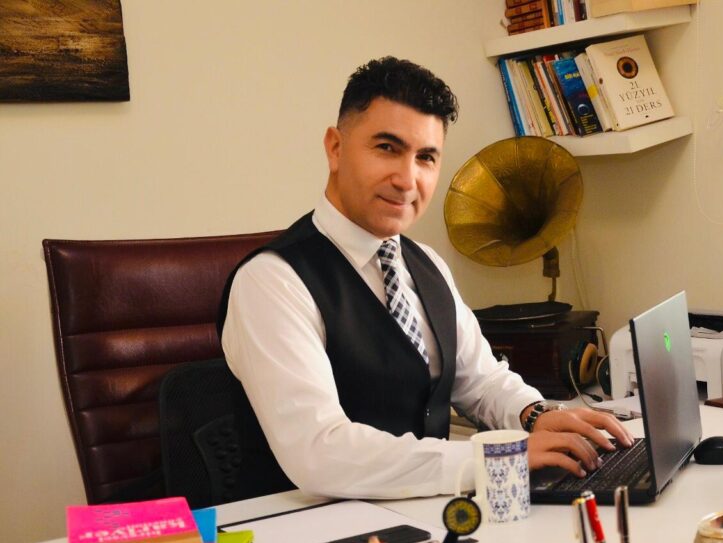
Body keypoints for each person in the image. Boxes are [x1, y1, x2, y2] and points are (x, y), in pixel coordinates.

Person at [218, 56, 631, 499]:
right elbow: (320, 452)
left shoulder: (426, 263)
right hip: (309, 526)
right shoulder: (271, 282)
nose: (407, 179)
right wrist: (496, 458)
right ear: (335, 148)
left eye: (426, 157)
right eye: (387, 148)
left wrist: (536, 415)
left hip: (428, 512)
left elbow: (481, 379)